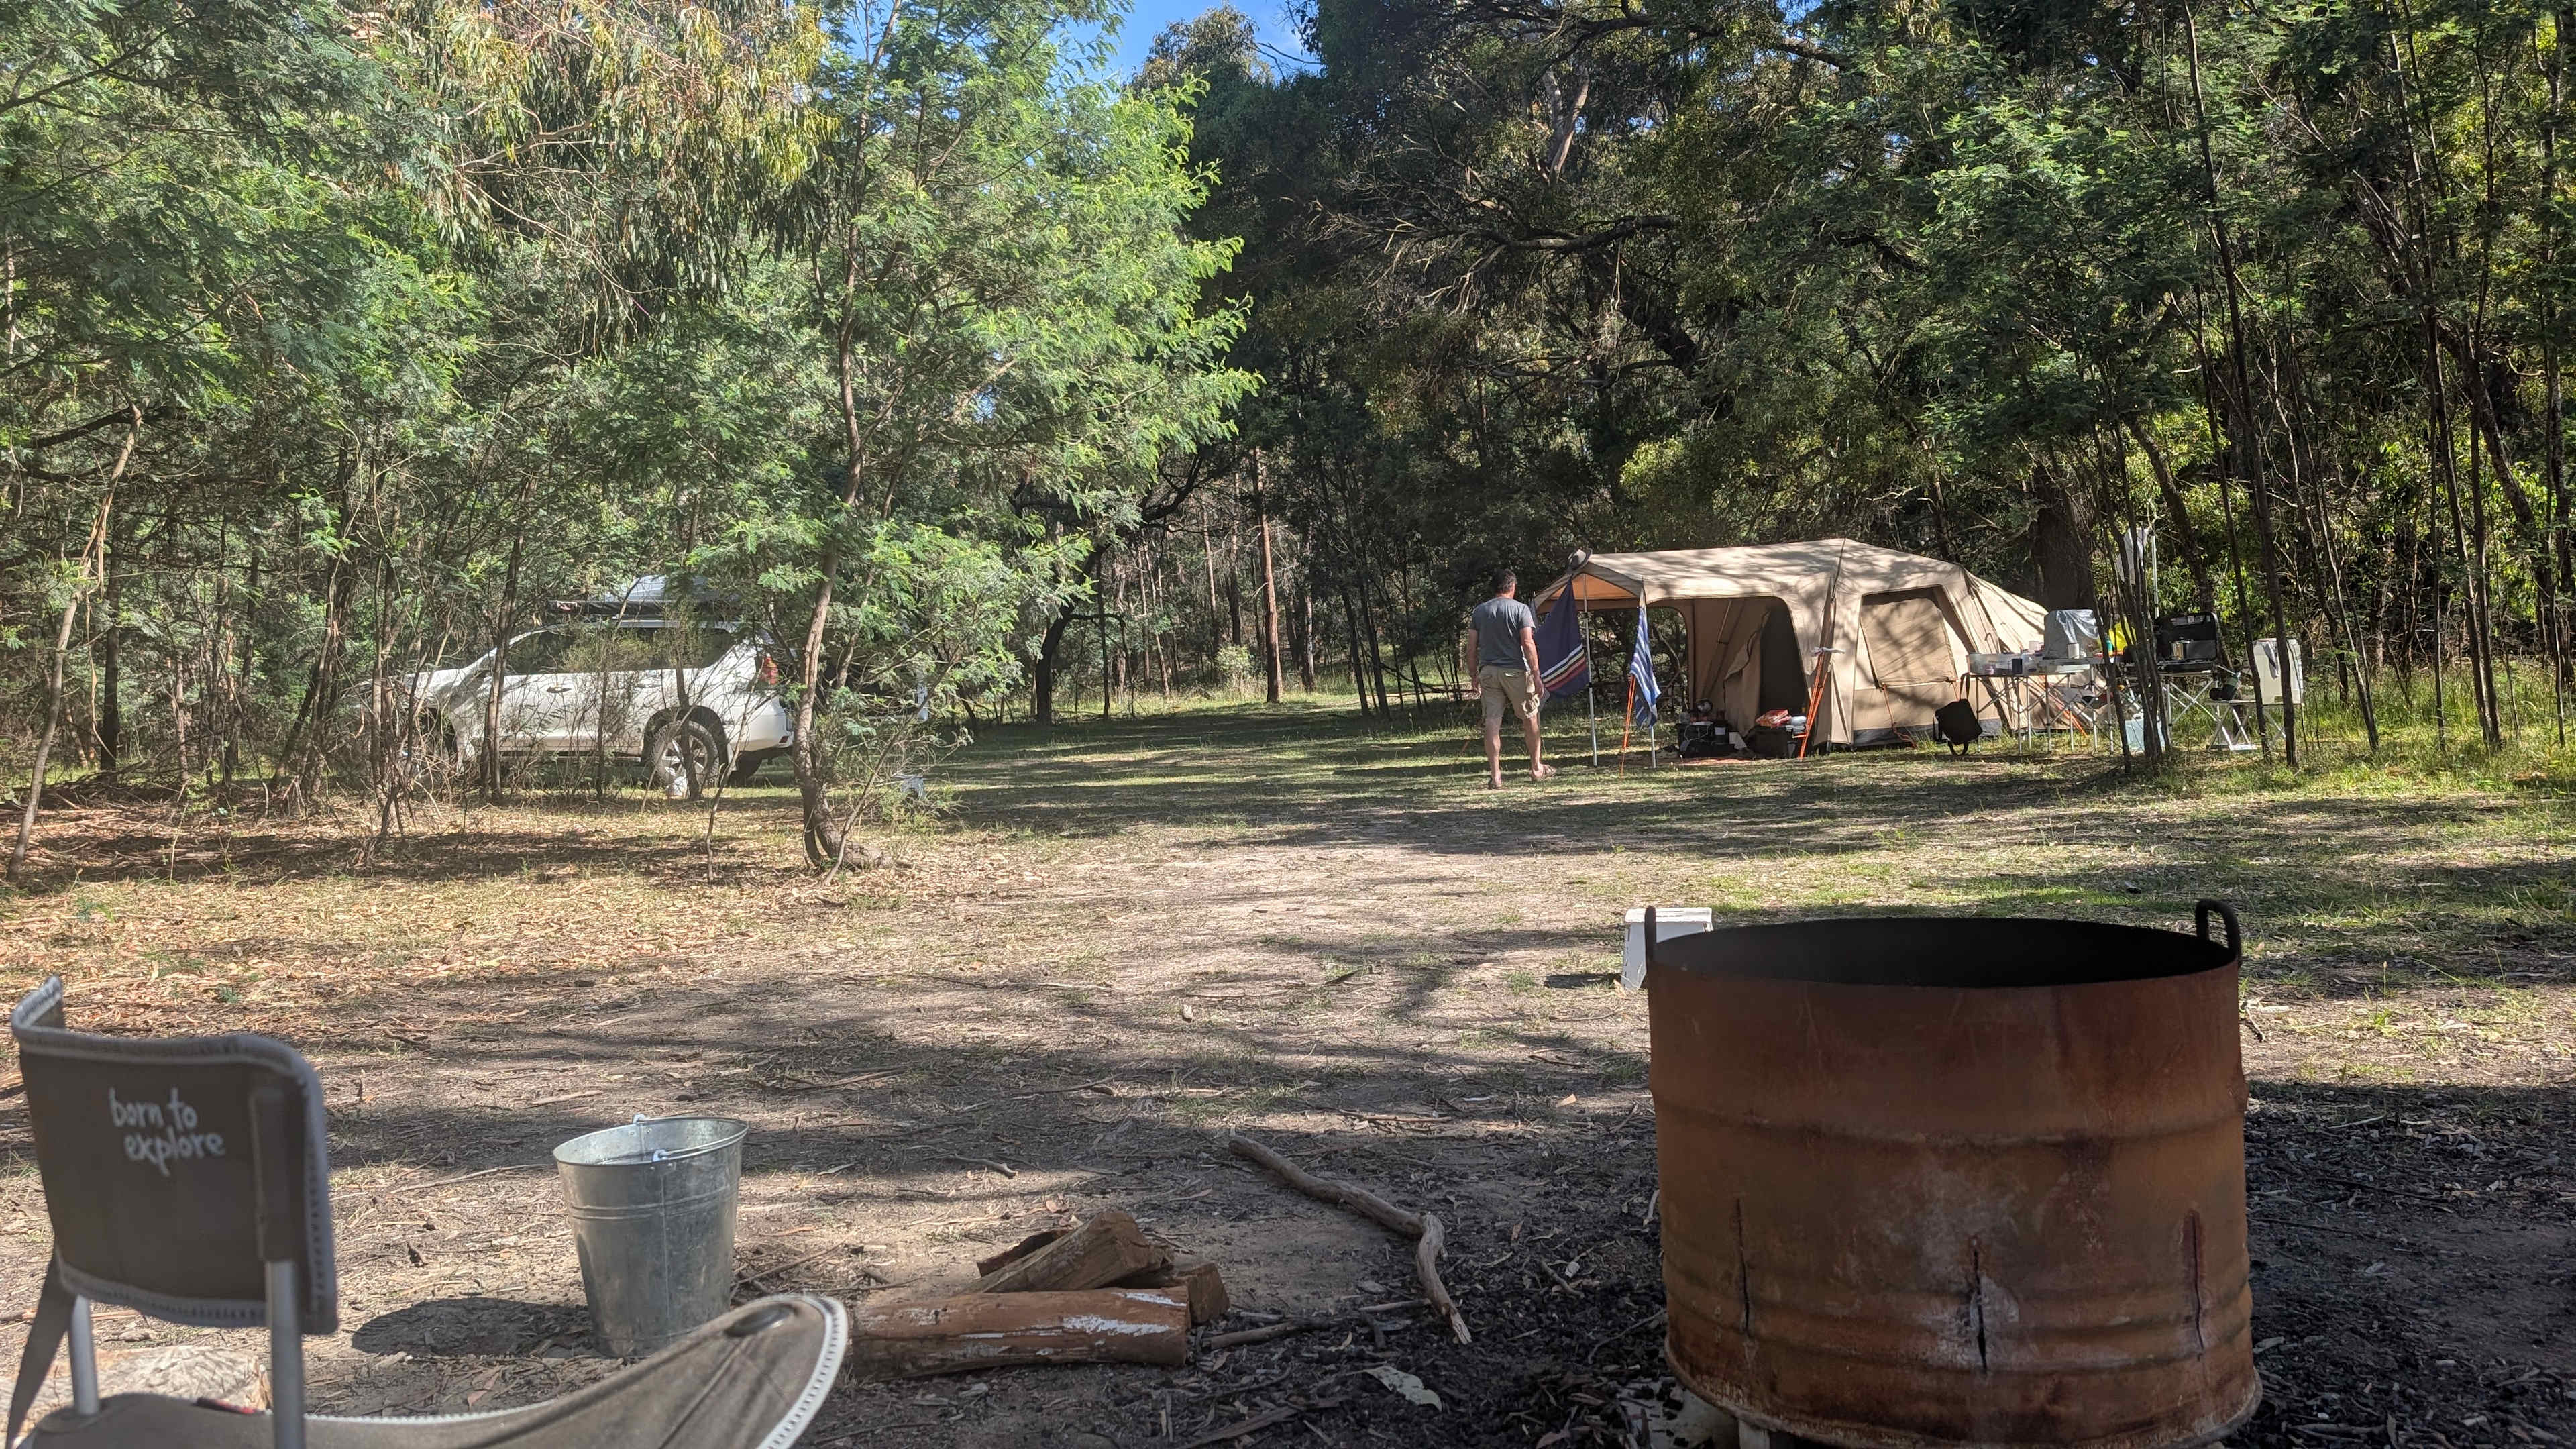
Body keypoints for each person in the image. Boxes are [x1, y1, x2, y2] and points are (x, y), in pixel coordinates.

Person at [1470, 568, 1552, 788]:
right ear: (1512, 587)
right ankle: (1536, 767)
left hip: (1488, 672)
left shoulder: (1480, 611)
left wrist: (1473, 674)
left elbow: (1472, 647)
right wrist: (1536, 674)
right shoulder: (1521, 609)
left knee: (1492, 721)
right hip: (1516, 671)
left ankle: (1496, 775)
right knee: (1530, 717)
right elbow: (1527, 643)